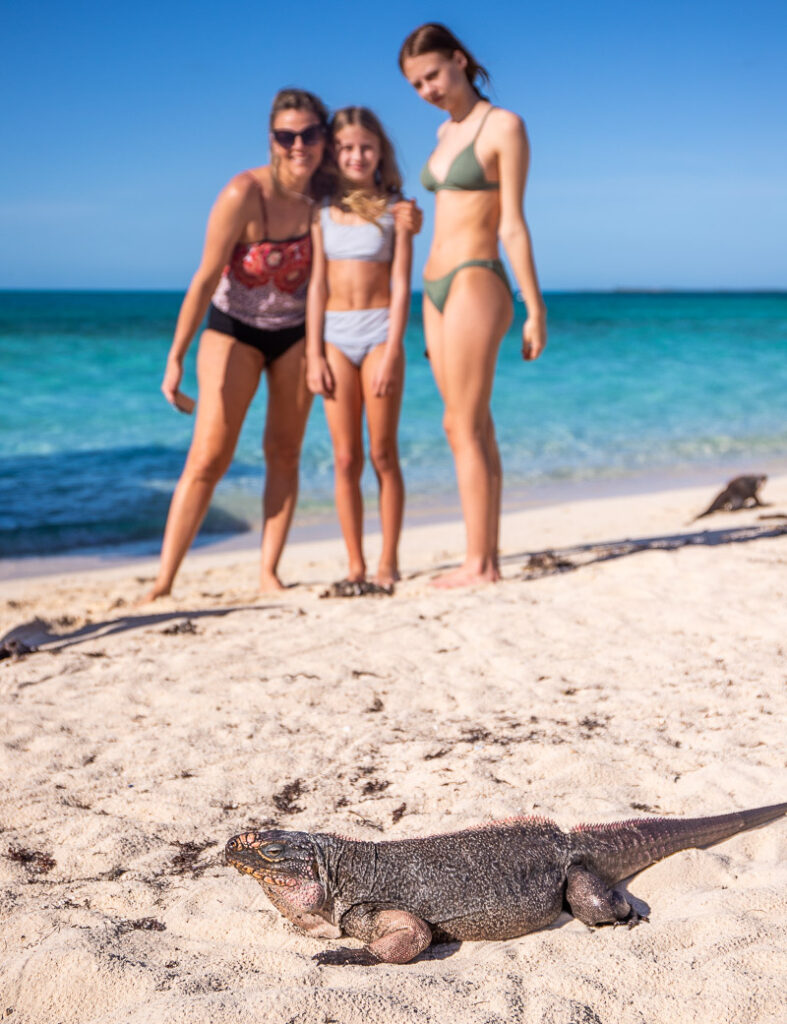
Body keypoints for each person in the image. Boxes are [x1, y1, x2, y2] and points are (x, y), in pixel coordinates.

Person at [143, 89, 420, 600]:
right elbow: (205, 278)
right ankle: (164, 580)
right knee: (209, 456)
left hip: (298, 334)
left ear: (324, 139)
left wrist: (409, 216)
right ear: (270, 138)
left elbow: (378, 202)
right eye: (286, 135)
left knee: (285, 451)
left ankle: (268, 571)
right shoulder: (242, 193)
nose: (299, 145)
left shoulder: (326, 192)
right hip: (234, 329)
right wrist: (175, 357)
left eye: (310, 134)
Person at [399, 23, 547, 587]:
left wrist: (534, 306)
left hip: (476, 278)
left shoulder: (503, 125)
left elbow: (512, 223)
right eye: (416, 84)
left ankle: (479, 564)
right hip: (433, 287)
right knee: (474, 423)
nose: (427, 90)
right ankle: (486, 556)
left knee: (458, 424)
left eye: (432, 75)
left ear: (460, 60)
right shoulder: (442, 133)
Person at [306, 107, 413, 589]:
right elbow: (315, 286)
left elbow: (402, 284)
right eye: (347, 147)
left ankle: (388, 560)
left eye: (366, 147)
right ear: (334, 154)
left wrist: (392, 350)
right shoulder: (322, 212)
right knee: (345, 458)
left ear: (380, 152)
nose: (356, 155)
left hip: (379, 336)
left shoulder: (397, 210)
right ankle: (355, 564)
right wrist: (312, 353)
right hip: (332, 338)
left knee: (382, 454)